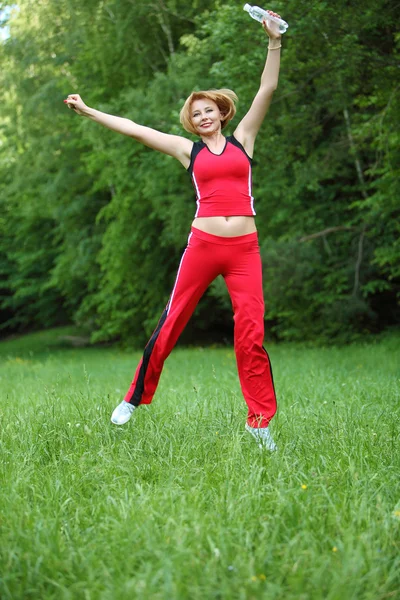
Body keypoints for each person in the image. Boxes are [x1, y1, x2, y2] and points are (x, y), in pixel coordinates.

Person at [64, 12, 282, 450]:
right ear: (191, 121)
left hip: (244, 249)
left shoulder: (245, 139)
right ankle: (133, 398)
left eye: (208, 110)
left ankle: (259, 423)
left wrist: (274, 41)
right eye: (195, 113)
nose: (202, 117)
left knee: (251, 333)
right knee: (171, 322)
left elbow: (267, 89)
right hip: (203, 245)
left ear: (221, 113)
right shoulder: (188, 151)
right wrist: (88, 111)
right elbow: (137, 130)